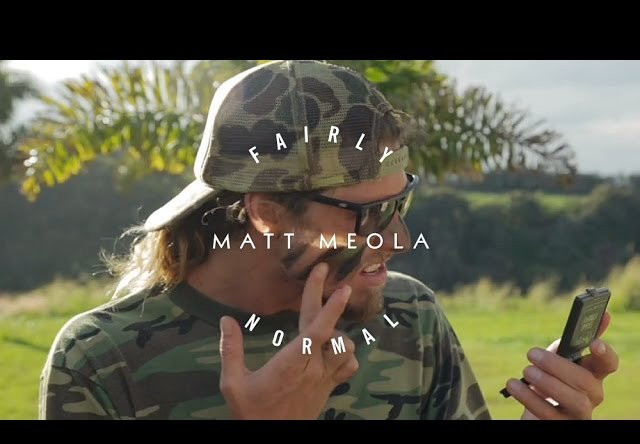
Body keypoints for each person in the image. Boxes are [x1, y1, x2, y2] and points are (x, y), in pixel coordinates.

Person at [39, 60, 618, 420]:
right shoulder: (101, 360)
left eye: (401, 203)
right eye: (370, 214)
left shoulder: (409, 316)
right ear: (267, 212)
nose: (398, 238)